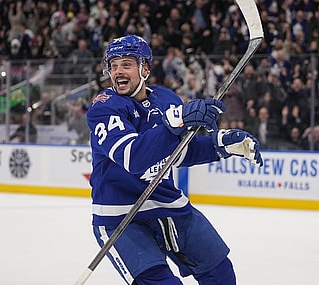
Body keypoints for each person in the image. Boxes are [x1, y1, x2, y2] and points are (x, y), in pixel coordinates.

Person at [86, 35, 263, 285]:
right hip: (120, 216)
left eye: (126, 64)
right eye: (113, 65)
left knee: (220, 273)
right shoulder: (104, 108)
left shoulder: (166, 99)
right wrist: (177, 121)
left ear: (145, 68)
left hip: (168, 204)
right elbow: (134, 158)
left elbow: (177, 153)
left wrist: (220, 145)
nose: (117, 72)